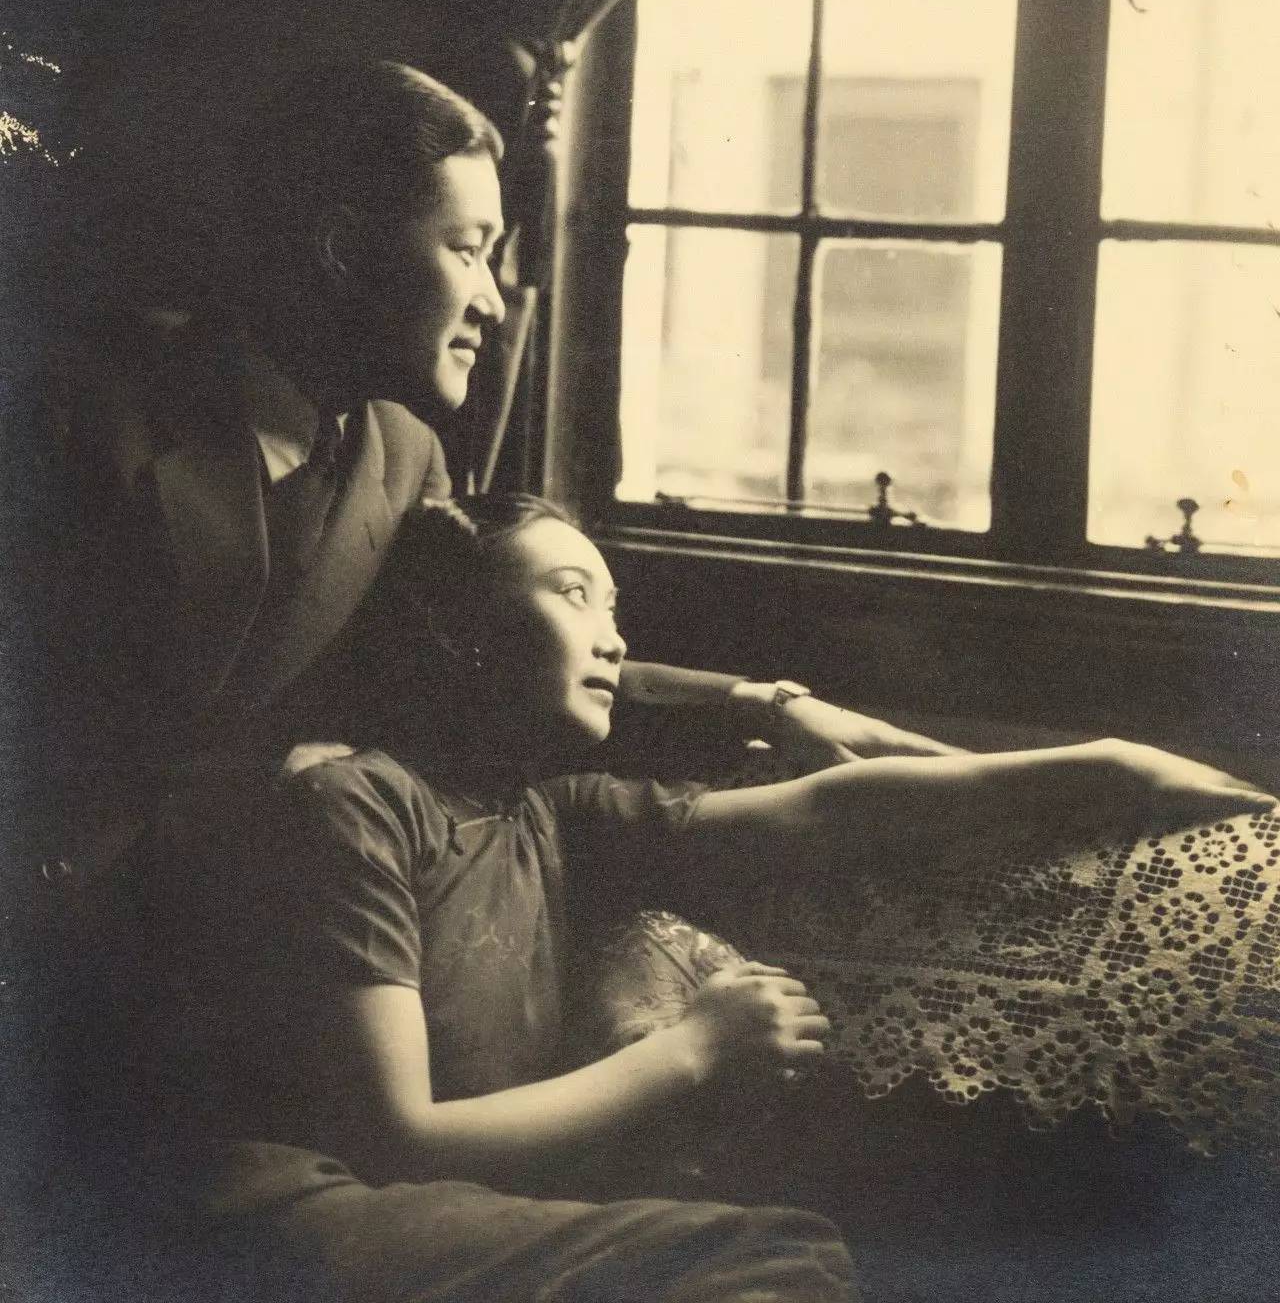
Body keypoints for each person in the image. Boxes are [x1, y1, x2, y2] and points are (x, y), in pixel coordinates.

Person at [120, 494, 1275, 1303]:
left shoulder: (552, 811)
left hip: (419, 1208)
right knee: (767, 1261)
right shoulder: (359, 802)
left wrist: (1109, 764)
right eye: (573, 593)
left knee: (787, 1247)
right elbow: (395, 1133)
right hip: (286, 1210)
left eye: (614, 604)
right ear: (456, 630)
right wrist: (691, 1050)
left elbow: (829, 812)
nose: (613, 637)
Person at [2, 57, 954, 928]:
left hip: (225, 933)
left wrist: (764, 706)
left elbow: (501, 664)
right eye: (468, 250)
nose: (495, 302)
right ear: (342, 248)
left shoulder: (403, 457)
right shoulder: (67, 411)